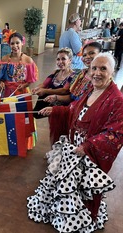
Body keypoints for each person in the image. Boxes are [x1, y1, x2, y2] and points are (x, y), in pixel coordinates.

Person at [27, 52, 123, 233]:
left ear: (112, 71)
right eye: (94, 68)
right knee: (69, 187)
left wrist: (87, 147)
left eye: (103, 68)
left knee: (83, 189)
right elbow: (73, 111)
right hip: (73, 148)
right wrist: (56, 110)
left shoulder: (117, 100)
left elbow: (115, 133)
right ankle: (66, 217)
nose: (97, 73)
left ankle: (82, 220)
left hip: (89, 153)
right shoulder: (90, 89)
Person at [43, 42, 102, 144]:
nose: (87, 57)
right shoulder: (80, 74)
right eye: (84, 55)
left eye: (91, 53)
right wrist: (56, 98)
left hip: (86, 121)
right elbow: (72, 98)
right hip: (72, 115)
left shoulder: (101, 79)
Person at [31, 47, 75, 119]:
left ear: (70, 60)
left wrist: (45, 90)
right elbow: (44, 84)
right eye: (58, 59)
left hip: (61, 107)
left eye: (63, 59)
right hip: (50, 104)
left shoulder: (73, 75)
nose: (60, 62)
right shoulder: (55, 72)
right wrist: (37, 88)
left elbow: (64, 90)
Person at [0, 32, 38, 98]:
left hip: (21, 93)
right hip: (7, 93)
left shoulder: (28, 60)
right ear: (9, 45)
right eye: (12, 43)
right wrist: (1, 83)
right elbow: (0, 77)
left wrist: (24, 85)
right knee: (5, 108)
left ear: (22, 43)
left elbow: (30, 80)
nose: (15, 46)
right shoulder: (4, 60)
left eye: (17, 43)